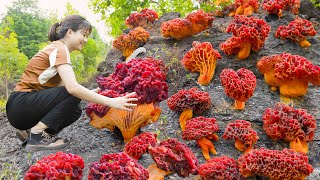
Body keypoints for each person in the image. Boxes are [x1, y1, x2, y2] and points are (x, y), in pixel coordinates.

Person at [5, 15, 138, 151]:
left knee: (75, 111)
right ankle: (37, 134)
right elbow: (72, 89)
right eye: (83, 34)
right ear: (69, 32)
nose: (85, 40)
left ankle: (31, 133)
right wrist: (112, 102)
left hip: (23, 109)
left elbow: (65, 93)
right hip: (20, 105)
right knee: (73, 92)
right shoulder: (60, 49)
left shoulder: (58, 49)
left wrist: (98, 91)